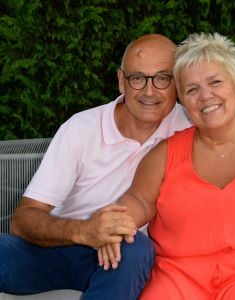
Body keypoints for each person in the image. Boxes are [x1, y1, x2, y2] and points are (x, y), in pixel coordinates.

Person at [101, 32, 235, 299]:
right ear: (183, 102)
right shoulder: (164, 154)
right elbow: (139, 200)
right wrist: (117, 224)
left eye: (215, 82)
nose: (206, 97)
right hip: (179, 277)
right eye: (192, 90)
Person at [0, 33, 192, 299]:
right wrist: (85, 232)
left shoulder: (191, 130)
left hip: (128, 258)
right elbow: (24, 219)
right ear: (121, 81)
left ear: (178, 83)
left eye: (162, 78)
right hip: (61, 248)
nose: (150, 91)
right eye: (137, 78)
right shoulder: (81, 128)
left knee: (134, 246)